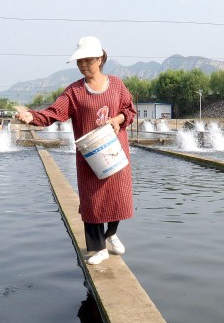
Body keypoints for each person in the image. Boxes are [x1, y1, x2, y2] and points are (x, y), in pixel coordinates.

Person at [14, 36, 136, 265]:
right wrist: (32, 116)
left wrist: (117, 119)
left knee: (118, 196)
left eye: (87, 60)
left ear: (99, 59)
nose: (82, 66)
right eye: (79, 61)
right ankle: (98, 248)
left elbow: (129, 110)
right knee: (92, 200)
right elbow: (54, 113)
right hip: (90, 155)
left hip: (114, 151)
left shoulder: (117, 85)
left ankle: (110, 233)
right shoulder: (74, 92)